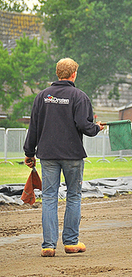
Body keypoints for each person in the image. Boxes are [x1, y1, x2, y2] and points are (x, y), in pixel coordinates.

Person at [23, 58, 105, 257]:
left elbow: (33, 126)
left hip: (48, 155)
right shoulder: (79, 96)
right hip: (72, 155)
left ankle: (48, 245)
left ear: (58, 73)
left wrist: (29, 152)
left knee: (50, 198)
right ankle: (70, 242)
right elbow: (85, 126)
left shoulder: (42, 96)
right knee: (73, 196)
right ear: (74, 74)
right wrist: (97, 128)